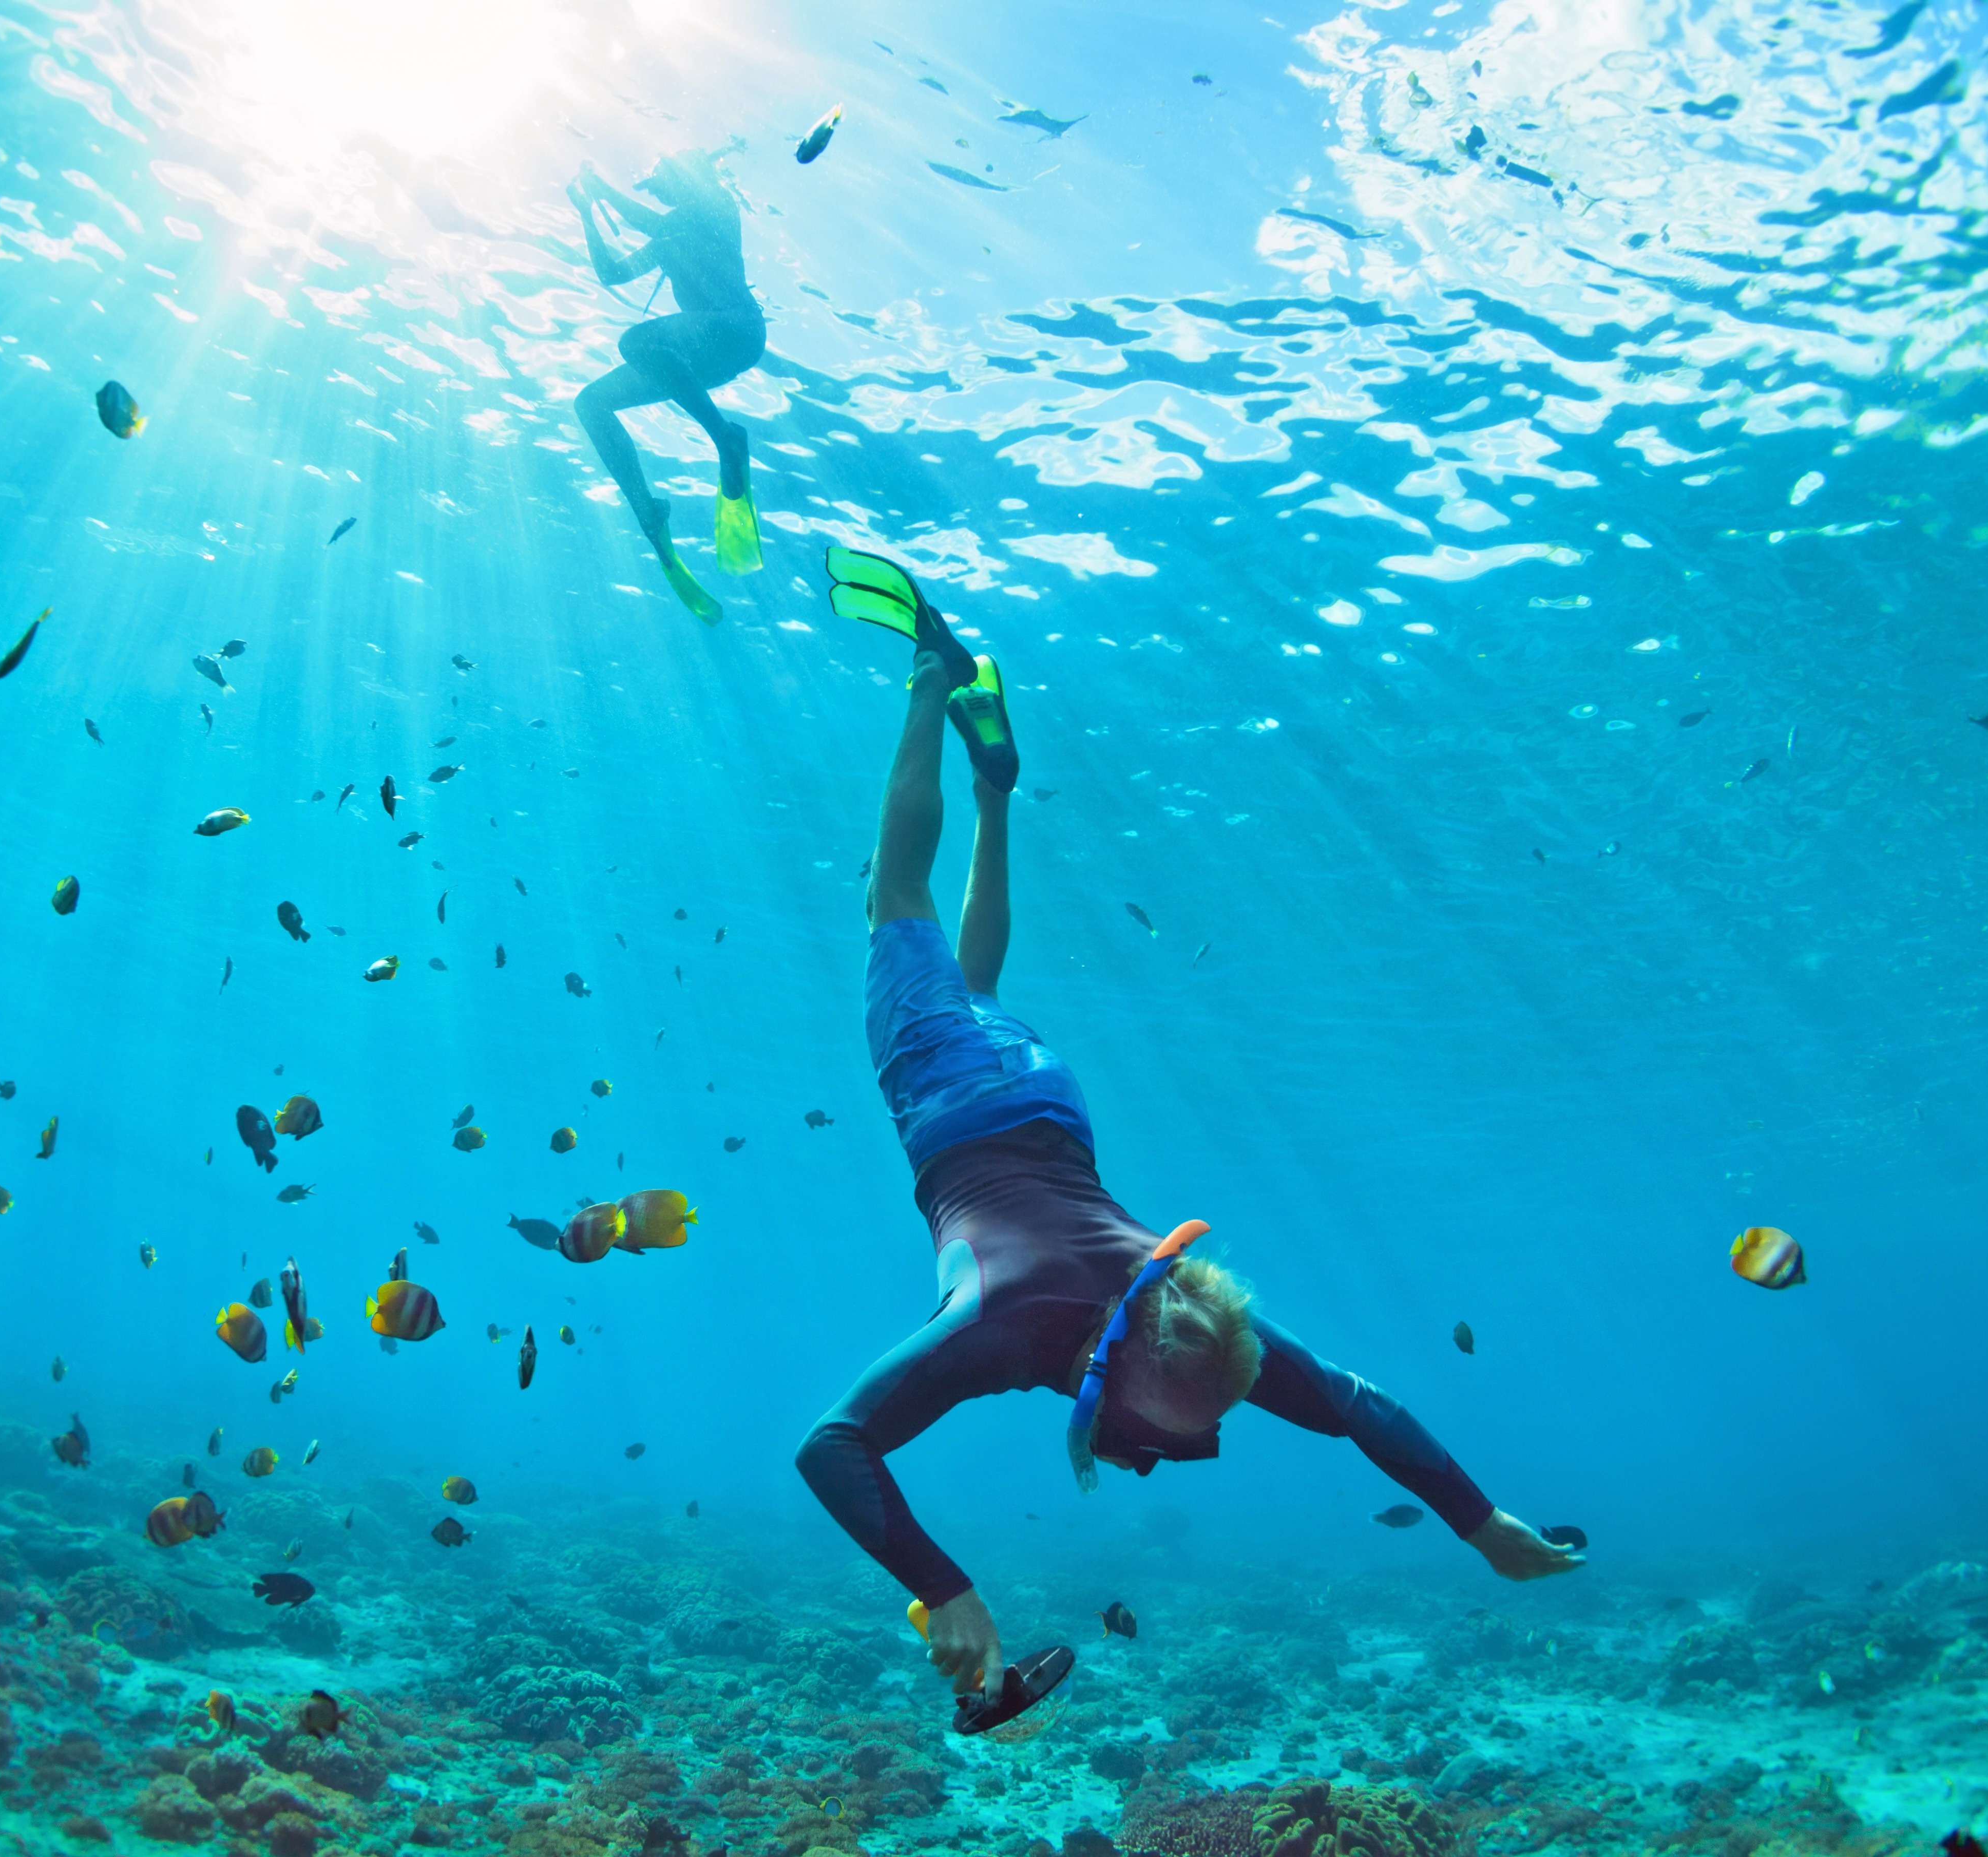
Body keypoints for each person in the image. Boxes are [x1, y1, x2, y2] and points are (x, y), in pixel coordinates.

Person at [795, 548, 1584, 1707]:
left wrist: (1486, 1525)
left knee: (975, 980)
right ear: (1115, 1364)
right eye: (1154, 1434)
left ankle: (998, 788)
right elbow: (830, 1445)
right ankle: (929, 672)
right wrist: (943, 1582)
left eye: (1182, 1444)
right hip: (961, 1105)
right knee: (894, 903)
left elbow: (1362, 1409)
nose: (1157, 1456)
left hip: (1047, 1097)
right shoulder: (1010, 1323)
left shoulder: (1190, 1336)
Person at [565, 153, 763, 621]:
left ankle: (725, 437)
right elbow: (614, 273)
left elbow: (645, 219)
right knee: (591, 403)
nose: (656, 191)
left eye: (660, 183)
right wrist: (587, 213)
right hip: (696, 354)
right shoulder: (669, 231)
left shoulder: (717, 206)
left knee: (636, 341)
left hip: (734, 331)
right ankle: (645, 507)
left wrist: (600, 188)